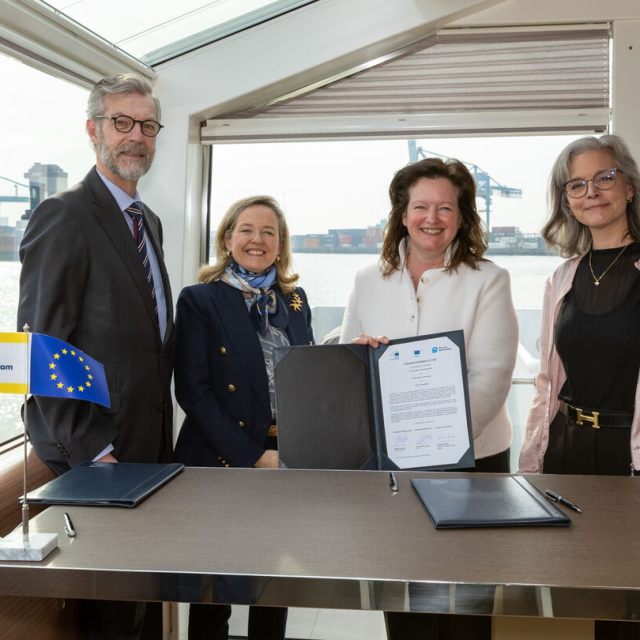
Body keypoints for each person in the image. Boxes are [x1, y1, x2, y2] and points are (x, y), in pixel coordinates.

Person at [18, 73, 174, 639]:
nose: (136, 137)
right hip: (99, 459)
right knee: (111, 621)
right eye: (122, 122)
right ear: (93, 130)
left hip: (151, 452)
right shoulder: (64, 215)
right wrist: (95, 452)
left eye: (148, 126)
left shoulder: (148, 222)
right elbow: (43, 348)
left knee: (144, 609)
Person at [340, 157, 518, 640]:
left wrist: (437, 446)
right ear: (403, 214)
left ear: (462, 217)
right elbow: (348, 362)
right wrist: (358, 355)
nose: (432, 219)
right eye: (421, 207)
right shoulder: (367, 280)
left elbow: (491, 377)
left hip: (474, 462)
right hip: (392, 466)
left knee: (467, 598)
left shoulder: (488, 279)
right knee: (404, 593)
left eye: (446, 208)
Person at [173, 195, 314, 640]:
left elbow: (307, 379)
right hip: (220, 460)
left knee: (274, 582)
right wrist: (253, 456)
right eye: (247, 230)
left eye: (269, 232)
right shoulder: (199, 300)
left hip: (283, 459)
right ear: (227, 239)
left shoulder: (294, 299)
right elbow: (192, 391)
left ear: (281, 244)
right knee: (214, 587)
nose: (258, 240)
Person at [519, 134, 640, 637]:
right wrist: (531, 460)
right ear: (566, 200)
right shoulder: (562, 278)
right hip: (567, 450)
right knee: (586, 589)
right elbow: (547, 381)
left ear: (629, 187)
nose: (592, 192)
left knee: (630, 597)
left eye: (604, 177)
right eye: (577, 185)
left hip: (626, 454)